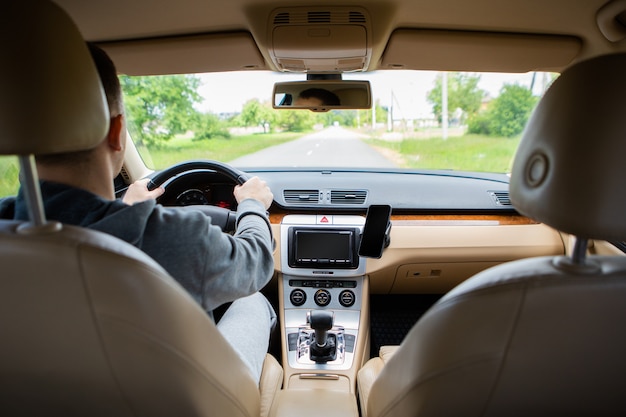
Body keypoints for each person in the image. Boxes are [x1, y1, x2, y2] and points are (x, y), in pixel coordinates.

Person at [12, 43, 276, 385]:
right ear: (117, 131)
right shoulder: (173, 239)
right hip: (175, 398)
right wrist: (252, 205)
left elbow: (78, 231)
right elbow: (255, 261)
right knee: (252, 299)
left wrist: (123, 210)